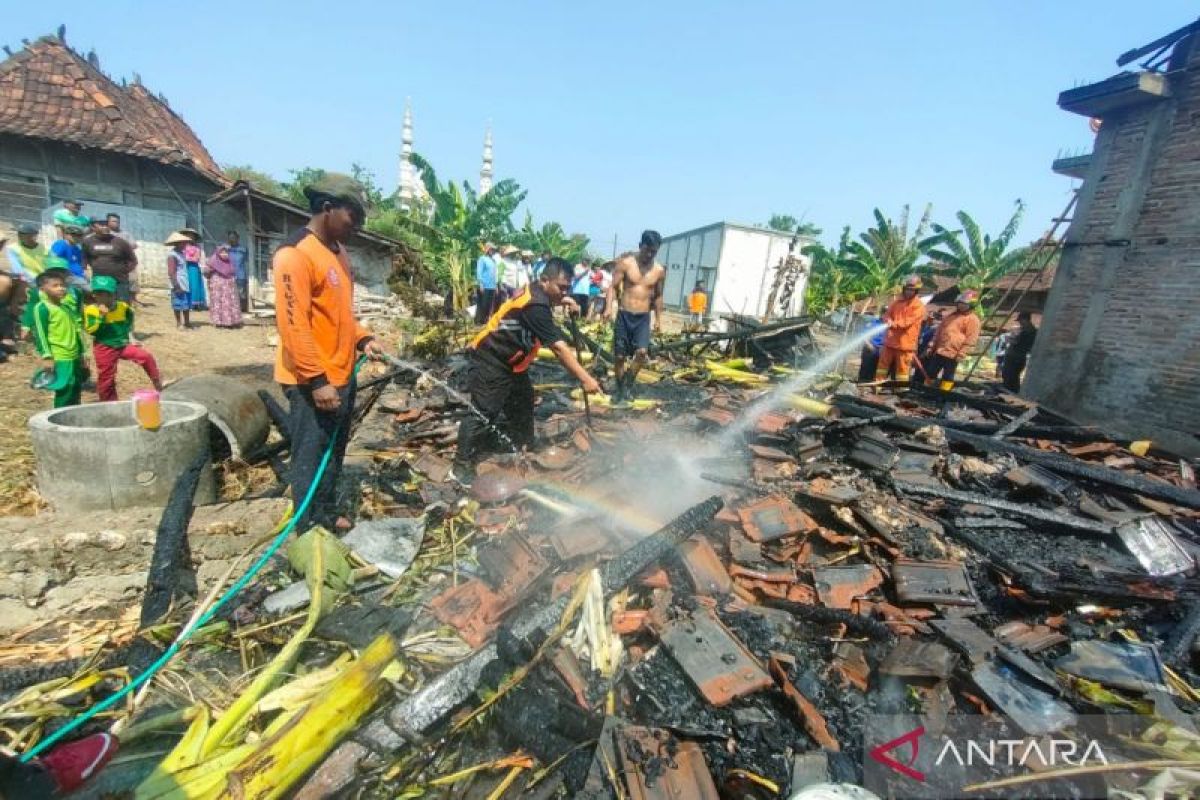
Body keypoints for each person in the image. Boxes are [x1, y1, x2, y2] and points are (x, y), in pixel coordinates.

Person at [273, 173, 386, 532]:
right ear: (327, 208)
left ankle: (325, 510)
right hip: (312, 381)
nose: (357, 226)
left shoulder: (339, 254)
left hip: (341, 373)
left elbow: (340, 315)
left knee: (333, 450)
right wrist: (317, 380)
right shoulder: (295, 255)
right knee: (309, 455)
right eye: (353, 217)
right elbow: (295, 325)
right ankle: (306, 527)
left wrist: (363, 338)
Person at [451, 257, 601, 485]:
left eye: (567, 288)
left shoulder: (537, 290)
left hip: (513, 363)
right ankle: (460, 466)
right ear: (544, 280)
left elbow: (546, 299)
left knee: (523, 401)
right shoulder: (536, 308)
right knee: (484, 411)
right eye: (561, 288)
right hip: (492, 358)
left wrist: (564, 300)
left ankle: (522, 446)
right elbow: (559, 349)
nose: (564, 292)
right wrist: (586, 379)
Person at [606, 230, 666, 402]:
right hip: (624, 315)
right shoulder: (625, 264)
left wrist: (659, 320)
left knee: (641, 353)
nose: (649, 254)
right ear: (640, 246)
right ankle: (619, 389)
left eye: (653, 252)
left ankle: (628, 386)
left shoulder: (659, 271)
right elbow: (612, 286)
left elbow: (659, 296)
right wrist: (608, 308)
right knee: (619, 357)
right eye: (647, 250)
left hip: (643, 318)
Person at [83, 275, 161, 401]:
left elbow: (129, 318)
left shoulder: (122, 307)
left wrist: (130, 337)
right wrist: (102, 316)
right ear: (94, 295)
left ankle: (158, 383)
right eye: (100, 294)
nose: (104, 298)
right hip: (104, 346)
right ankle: (109, 403)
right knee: (106, 378)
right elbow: (92, 330)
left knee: (145, 357)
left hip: (121, 344)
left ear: (114, 294)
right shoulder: (91, 310)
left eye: (108, 294)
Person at [30, 268, 87, 408]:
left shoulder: (66, 307)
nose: (61, 288)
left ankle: (74, 417)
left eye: (62, 285)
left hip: (73, 355)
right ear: (43, 288)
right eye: (55, 286)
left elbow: (75, 331)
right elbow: (41, 334)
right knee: (64, 389)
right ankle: (59, 418)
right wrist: (47, 355)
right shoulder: (42, 308)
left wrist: (82, 353)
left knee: (75, 387)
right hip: (60, 355)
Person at [875, 274, 926, 385]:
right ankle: (877, 386)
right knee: (882, 366)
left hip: (905, 344)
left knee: (902, 369)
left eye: (912, 290)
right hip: (890, 341)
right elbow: (887, 314)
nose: (909, 292)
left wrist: (893, 323)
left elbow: (907, 322)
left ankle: (900, 390)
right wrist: (887, 320)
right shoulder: (897, 302)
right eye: (907, 289)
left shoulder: (918, 306)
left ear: (916, 291)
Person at [923, 291, 981, 386]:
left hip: (954, 353)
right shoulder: (951, 316)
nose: (961, 306)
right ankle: (928, 391)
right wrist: (931, 345)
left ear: (971, 305)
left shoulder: (973, 320)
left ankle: (944, 395)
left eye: (965, 304)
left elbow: (971, 339)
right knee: (931, 372)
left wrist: (961, 353)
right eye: (960, 303)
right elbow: (938, 331)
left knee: (948, 376)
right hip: (940, 350)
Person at [82, 217, 137, 302]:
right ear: (93, 228)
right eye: (101, 225)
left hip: (119, 281)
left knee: (121, 305)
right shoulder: (88, 242)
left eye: (106, 225)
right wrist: (87, 268)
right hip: (99, 281)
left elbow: (133, 260)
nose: (105, 227)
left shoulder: (120, 242)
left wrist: (124, 271)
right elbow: (84, 258)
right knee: (101, 306)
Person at [204, 245, 244, 328]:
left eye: (226, 252)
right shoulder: (213, 260)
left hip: (228, 287)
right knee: (218, 302)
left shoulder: (229, 261)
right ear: (218, 252)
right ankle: (219, 322)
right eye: (222, 252)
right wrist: (211, 270)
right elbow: (205, 271)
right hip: (217, 287)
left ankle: (230, 322)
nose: (224, 254)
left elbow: (232, 271)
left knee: (229, 303)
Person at [106, 213, 141, 307]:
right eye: (113, 221)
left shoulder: (125, 234)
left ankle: (133, 299)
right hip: (111, 261)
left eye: (118, 221)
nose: (116, 223)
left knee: (133, 279)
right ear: (107, 222)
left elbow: (134, 245)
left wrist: (123, 247)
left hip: (126, 260)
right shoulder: (106, 234)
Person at [1001, 311, 1037, 393]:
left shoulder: (1028, 331)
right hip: (1018, 357)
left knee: (1010, 378)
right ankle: (1011, 394)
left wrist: (1009, 339)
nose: (1020, 323)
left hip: (1015, 358)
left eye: (1020, 321)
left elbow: (1017, 342)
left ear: (1025, 320)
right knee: (1012, 378)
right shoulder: (1031, 330)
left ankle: (1009, 395)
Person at [165, 231, 193, 329]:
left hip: (184, 282)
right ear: (177, 243)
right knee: (177, 304)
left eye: (185, 242)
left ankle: (187, 323)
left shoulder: (181, 253)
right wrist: (176, 285)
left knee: (186, 305)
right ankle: (179, 323)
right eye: (182, 242)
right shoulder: (172, 255)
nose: (185, 244)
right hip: (177, 283)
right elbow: (171, 272)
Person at [224, 231, 250, 310]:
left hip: (240, 275)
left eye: (233, 238)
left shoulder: (243, 250)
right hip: (229, 275)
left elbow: (248, 262)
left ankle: (242, 311)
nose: (232, 240)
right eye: (230, 238)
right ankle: (232, 311)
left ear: (238, 238)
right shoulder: (226, 249)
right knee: (230, 294)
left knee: (241, 294)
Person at [181, 233, 207, 310]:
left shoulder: (198, 247)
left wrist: (189, 258)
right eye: (188, 237)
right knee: (186, 284)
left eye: (192, 237)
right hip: (185, 267)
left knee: (195, 285)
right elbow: (183, 257)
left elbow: (197, 257)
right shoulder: (183, 247)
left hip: (194, 268)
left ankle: (196, 304)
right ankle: (187, 303)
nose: (190, 239)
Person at [474, 243, 499, 324]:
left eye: (494, 250)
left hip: (492, 286)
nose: (493, 251)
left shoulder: (493, 260)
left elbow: (495, 274)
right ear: (488, 250)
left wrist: (496, 286)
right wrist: (480, 283)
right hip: (484, 285)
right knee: (482, 304)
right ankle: (478, 321)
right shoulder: (482, 259)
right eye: (491, 249)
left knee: (489, 305)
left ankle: (485, 321)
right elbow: (479, 271)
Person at [857, 315, 886, 382]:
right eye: (884, 312)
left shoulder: (889, 325)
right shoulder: (873, 323)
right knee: (865, 368)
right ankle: (862, 382)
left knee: (876, 370)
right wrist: (869, 345)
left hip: (882, 350)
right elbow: (863, 335)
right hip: (870, 348)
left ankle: (871, 384)